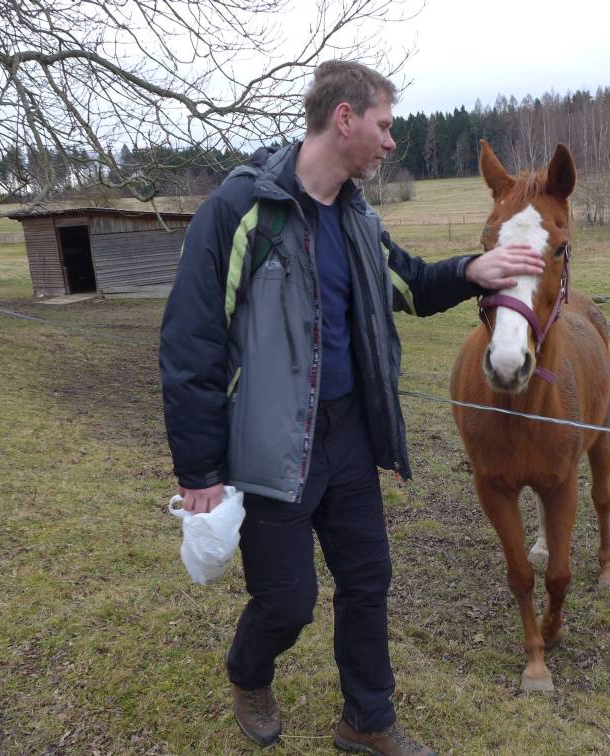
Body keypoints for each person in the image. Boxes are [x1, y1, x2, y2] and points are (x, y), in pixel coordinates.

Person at [158, 60, 543, 754]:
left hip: (347, 438)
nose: (391, 142)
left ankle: (368, 722)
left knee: (367, 582)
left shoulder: (360, 221)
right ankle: (247, 672)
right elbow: (190, 343)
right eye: (384, 125)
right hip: (270, 449)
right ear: (344, 119)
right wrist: (199, 473)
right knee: (287, 603)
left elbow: (413, 286)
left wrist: (470, 269)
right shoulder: (241, 210)